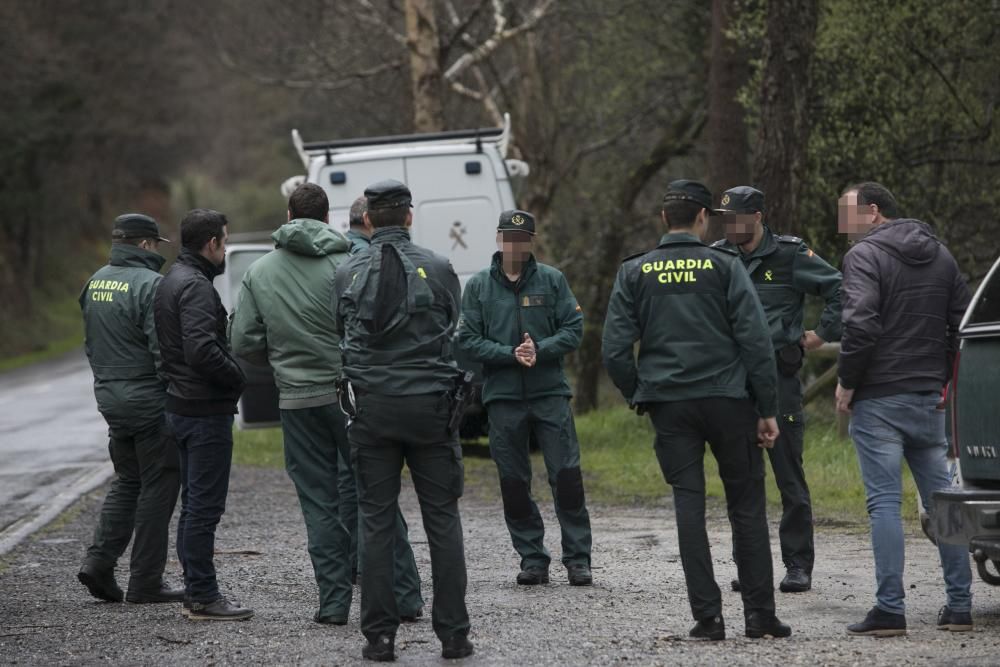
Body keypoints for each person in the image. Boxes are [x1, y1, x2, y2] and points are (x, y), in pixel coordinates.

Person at [602, 179, 790, 641]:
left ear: (665, 218)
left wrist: (639, 392)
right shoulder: (724, 266)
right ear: (704, 218)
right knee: (746, 506)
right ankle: (760, 617)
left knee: (689, 505)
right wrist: (767, 408)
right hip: (729, 401)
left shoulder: (635, 271)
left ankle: (708, 619)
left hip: (670, 405)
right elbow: (756, 340)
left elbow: (613, 350)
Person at [229, 183, 424, 625]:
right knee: (375, 496)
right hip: (352, 397)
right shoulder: (351, 261)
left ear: (287, 214)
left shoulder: (259, 272)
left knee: (317, 503)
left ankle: (333, 603)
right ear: (326, 216)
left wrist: (280, 358)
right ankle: (407, 596)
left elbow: (243, 340)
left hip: (296, 402)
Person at [335, 179, 472, 661]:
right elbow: (452, 325)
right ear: (409, 217)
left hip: (373, 410)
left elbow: (341, 334)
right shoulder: (437, 267)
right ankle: (454, 635)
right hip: (432, 410)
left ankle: (380, 638)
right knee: (442, 519)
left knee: (375, 522)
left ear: (368, 221)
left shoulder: (347, 272)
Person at [835, 182, 973, 636]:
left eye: (846, 213)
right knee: (945, 505)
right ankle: (960, 607)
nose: (841, 224)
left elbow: (860, 323)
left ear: (872, 212)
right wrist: (943, 379)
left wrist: (847, 382)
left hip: (879, 397)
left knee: (885, 505)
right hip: (928, 396)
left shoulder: (863, 257)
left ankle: (890, 610)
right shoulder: (943, 256)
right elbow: (960, 325)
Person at [713, 186, 842, 593]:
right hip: (733, 382)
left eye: (737, 218)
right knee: (740, 479)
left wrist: (822, 334)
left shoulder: (788, 255)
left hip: (779, 379)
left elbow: (840, 287)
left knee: (788, 475)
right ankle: (750, 566)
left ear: (757, 217)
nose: (730, 225)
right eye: (725, 218)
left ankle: (797, 564)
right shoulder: (718, 256)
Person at [457, 209, 592, 587]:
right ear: (499, 240)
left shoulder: (552, 280)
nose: (515, 244)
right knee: (514, 482)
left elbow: (574, 328)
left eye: (522, 239)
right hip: (502, 398)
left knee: (566, 476)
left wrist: (541, 349)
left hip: (549, 394)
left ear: (530, 242)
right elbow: (465, 338)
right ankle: (533, 557)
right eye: (508, 237)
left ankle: (579, 559)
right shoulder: (479, 286)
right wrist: (507, 354)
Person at [76, 213, 183, 605]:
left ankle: (99, 564)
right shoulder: (152, 286)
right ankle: (146, 581)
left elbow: (90, 344)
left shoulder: (94, 281)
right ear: (144, 245)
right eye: (155, 245)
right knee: (160, 486)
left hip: (110, 399)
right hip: (149, 401)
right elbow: (163, 354)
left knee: (127, 481)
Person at [154, 208, 251, 621]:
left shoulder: (171, 280)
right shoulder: (193, 286)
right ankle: (203, 595)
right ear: (211, 243)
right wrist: (237, 378)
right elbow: (200, 349)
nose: (226, 249)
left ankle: (197, 589)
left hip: (181, 406)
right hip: (203, 411)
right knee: (204, 508)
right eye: (225, 242)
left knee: (194, 506)